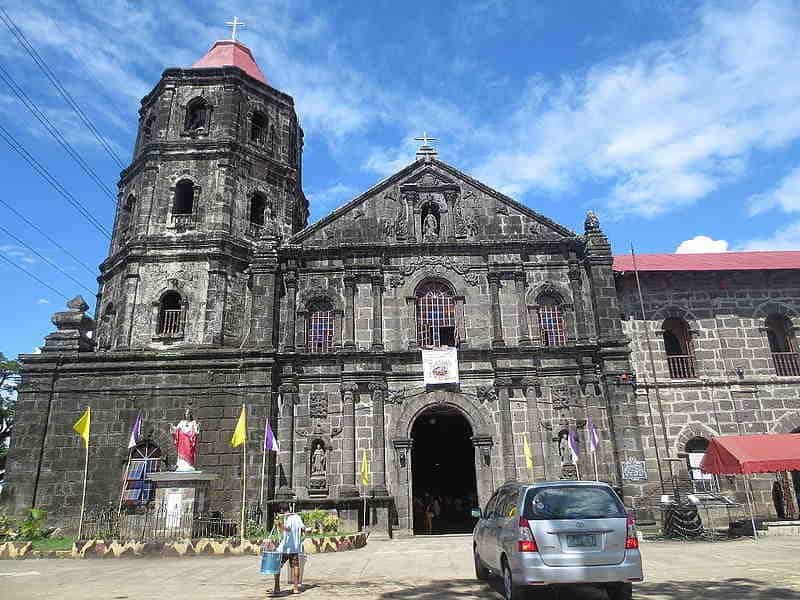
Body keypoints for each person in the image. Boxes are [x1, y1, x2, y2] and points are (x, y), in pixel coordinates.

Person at [271, 505, 306, 596]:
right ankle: (295, 588)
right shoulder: (298, 517)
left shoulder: (288, 518)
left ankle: (277, 587)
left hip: (285, 548)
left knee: (277, 566)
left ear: (282, 510)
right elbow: (303, 529)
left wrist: (279, 525)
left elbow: (287, 529)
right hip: (295, 548)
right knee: (295, 566)